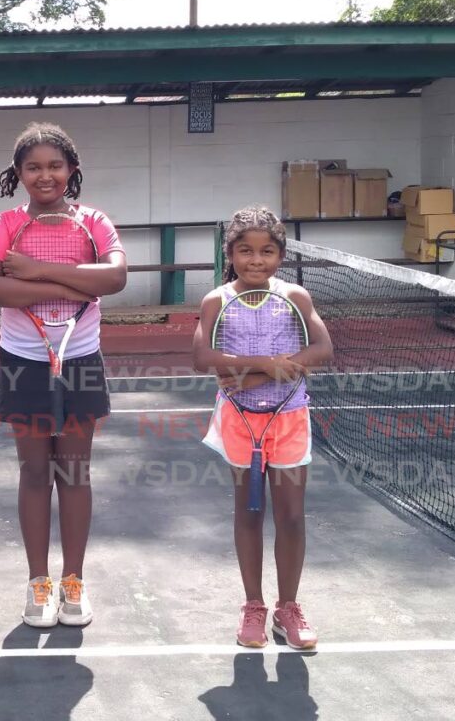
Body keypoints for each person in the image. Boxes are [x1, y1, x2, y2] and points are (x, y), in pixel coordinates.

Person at [0, 122, 126, 628]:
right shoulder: (4, 224)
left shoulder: (95, 221)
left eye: (55, 165)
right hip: (23, 362)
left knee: (75, 472)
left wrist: (34, 271)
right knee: (36, 473)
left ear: (72, 171)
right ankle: (39, 583)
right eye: (33, 167)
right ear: (18, 174)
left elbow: (115, 278)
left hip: (81, 360)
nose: (45, 175)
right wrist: (73, 284)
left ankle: (73, 581)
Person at [192, 205, 333, 650]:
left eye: (267, 251)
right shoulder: (216, 301)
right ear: (229, 253)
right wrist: (267, 367)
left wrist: (255, 374)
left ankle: (287, 609)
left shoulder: (295, 298)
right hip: (239, 420)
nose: (257, 260)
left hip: (289, 419)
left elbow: (323, 348)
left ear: (281, 255)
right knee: (249, 512)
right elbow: (205, 362)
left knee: (291, 516)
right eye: (246, 251)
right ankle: (253, 606)